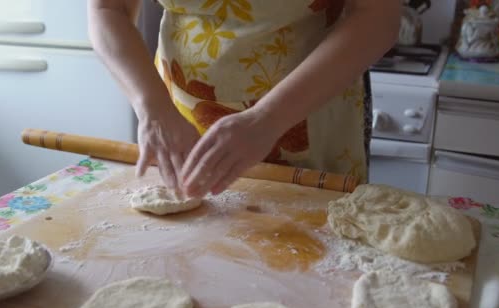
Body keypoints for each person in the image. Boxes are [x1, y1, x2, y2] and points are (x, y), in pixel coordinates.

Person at [88, 0, 400, 198]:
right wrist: (153, 108)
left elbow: (377, 17)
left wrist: (267, 118)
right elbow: (107, 9)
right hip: (180, 116)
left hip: (305, 114)